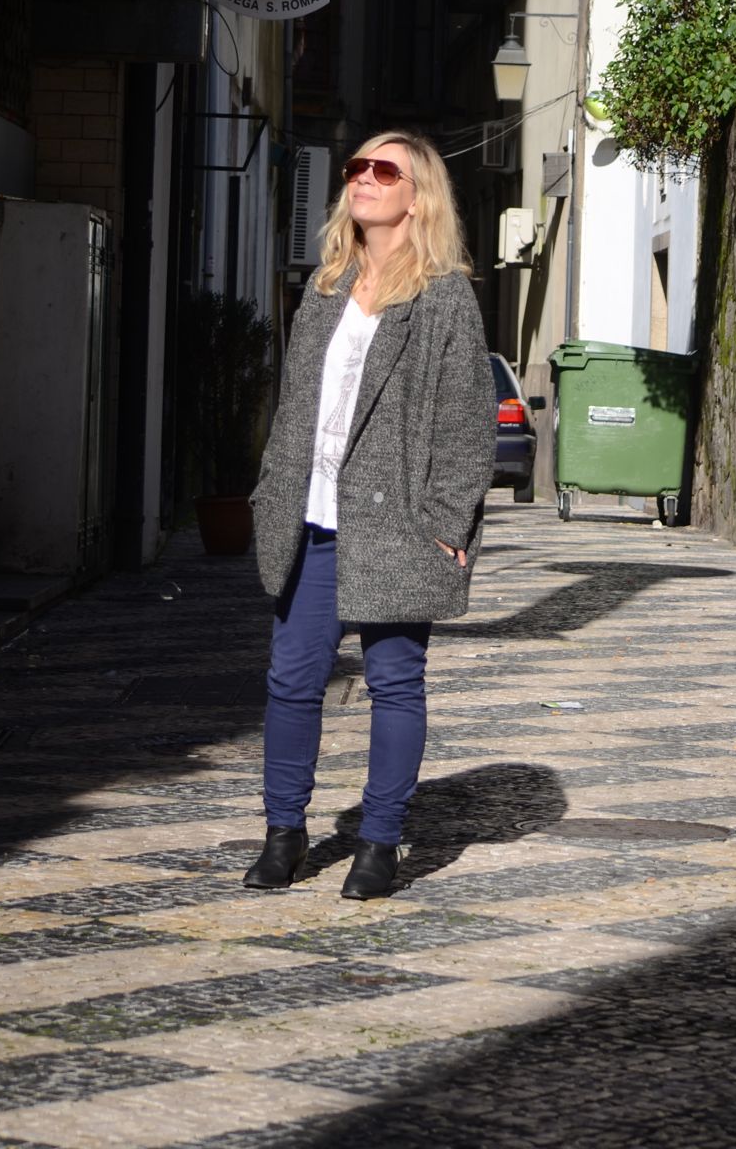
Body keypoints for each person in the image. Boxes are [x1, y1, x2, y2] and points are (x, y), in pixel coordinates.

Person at [244, 131, 496, 900]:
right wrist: (268, 488)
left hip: (395, 522)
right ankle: (283, 834)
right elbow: (295, 409)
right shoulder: (325, 288)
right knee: (291, 680)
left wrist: (448, 520)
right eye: (356, 166)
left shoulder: (443, 294)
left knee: (394, 681)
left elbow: (467, 417)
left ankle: (379, 844)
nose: (362, 178)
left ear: (416, 196)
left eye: (383, 170)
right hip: (311, 515)